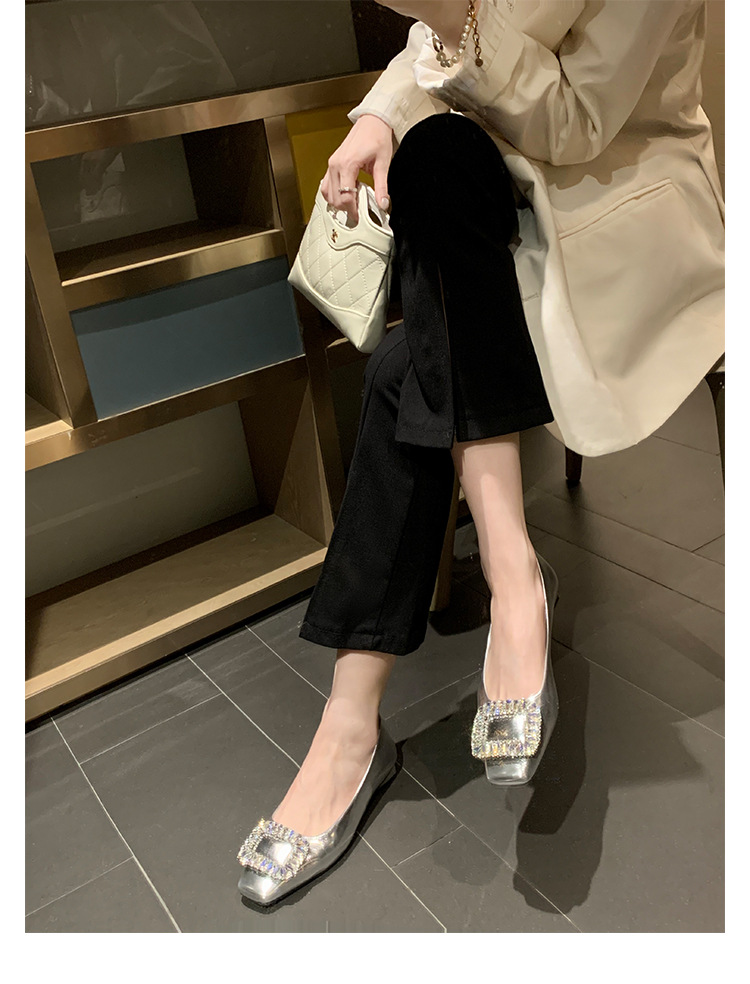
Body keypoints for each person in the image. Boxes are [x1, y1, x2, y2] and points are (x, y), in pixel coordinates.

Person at [237, 0, 724, 905]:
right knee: (434, 160)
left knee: (405, 374)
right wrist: (381, 115)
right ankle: (511, 577)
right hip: (491, 203)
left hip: (619, 196)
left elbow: (577, 123)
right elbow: (435, 49)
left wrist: (448, 15)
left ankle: (350, 729)